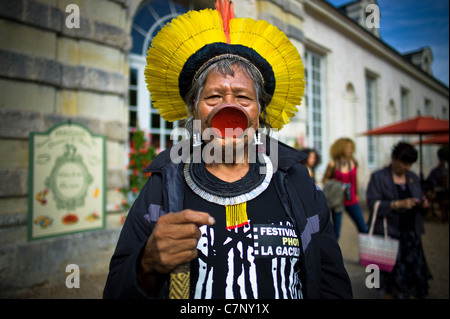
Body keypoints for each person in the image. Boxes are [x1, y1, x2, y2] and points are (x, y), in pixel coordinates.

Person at [103, 0, 352, 299]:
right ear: (194, 112)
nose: (228, 107)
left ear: (259, 114)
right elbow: (116, 291)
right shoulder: (162, 186)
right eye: (214, 96)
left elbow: (333, 287)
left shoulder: (296, 182)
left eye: (243, 98)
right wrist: (147, 264)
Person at [366, 142, 432, 299]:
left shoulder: (412, 177)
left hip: (411, 235)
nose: (407, 167)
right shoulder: (379, 177)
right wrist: (396, 204)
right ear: (394, 158)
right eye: (404, 162)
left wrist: (424, 204)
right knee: (392, 280)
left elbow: (420, 203)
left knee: (413, 277)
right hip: (390, 234)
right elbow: (372, 204)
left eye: (410, 164)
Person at [322, 137, 367, 239]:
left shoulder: (354, 162)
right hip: (338, 201)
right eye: (347, 148)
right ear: (340, 148)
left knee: (363, 228)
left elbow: (356, 179)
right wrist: (338, 186)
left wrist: (357, 194)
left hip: (351, 199)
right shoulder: (333, 164)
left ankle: (367, 252)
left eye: (351, 148)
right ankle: (332, 254)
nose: (349, 150)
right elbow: (325, 180)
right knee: (336, 233)